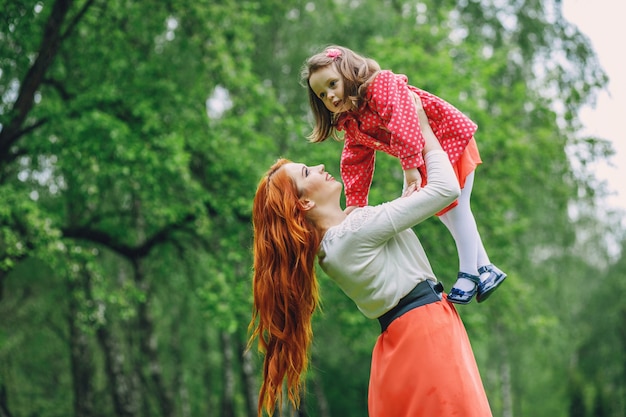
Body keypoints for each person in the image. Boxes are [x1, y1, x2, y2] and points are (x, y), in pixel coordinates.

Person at [248, 103, 492, 417]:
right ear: (305, 202)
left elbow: (408, 202)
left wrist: (407, 151)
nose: (320, 166)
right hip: (424, 335)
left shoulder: (338, 241)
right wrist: (423, 129)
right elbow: (444, 190)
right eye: (307, 172)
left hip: (408, 337)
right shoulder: (353, 233)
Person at [300, 44, 506, 304]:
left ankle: (469, 273)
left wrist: (409, 168)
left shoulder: (380, 85)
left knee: (457, 208)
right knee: (446, 214)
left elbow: (403, 119)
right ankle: (486, 269)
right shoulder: (353, 120)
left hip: (447, 139)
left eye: (332, 84)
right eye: (321, 95)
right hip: (429, 154)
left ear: (347, 73)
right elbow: (355, 161)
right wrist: (355, 203)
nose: (329, 96)